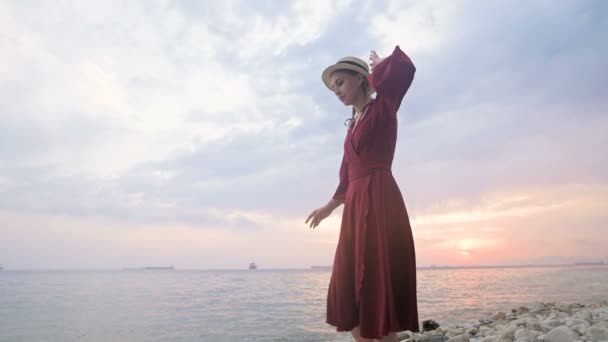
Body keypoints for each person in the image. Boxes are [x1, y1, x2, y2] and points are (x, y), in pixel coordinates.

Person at [305, 46, 419, 341]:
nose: (337, 91)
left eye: (340, 83)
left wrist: (381, 68)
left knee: (377, 282)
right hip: (355, 205)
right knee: (348, 285)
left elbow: (404, 73)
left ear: (359, 79)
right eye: (333, 89)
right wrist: (328, 207)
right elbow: (346, 174)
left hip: (380, 199)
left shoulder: (383, 107)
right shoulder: (350, 126)